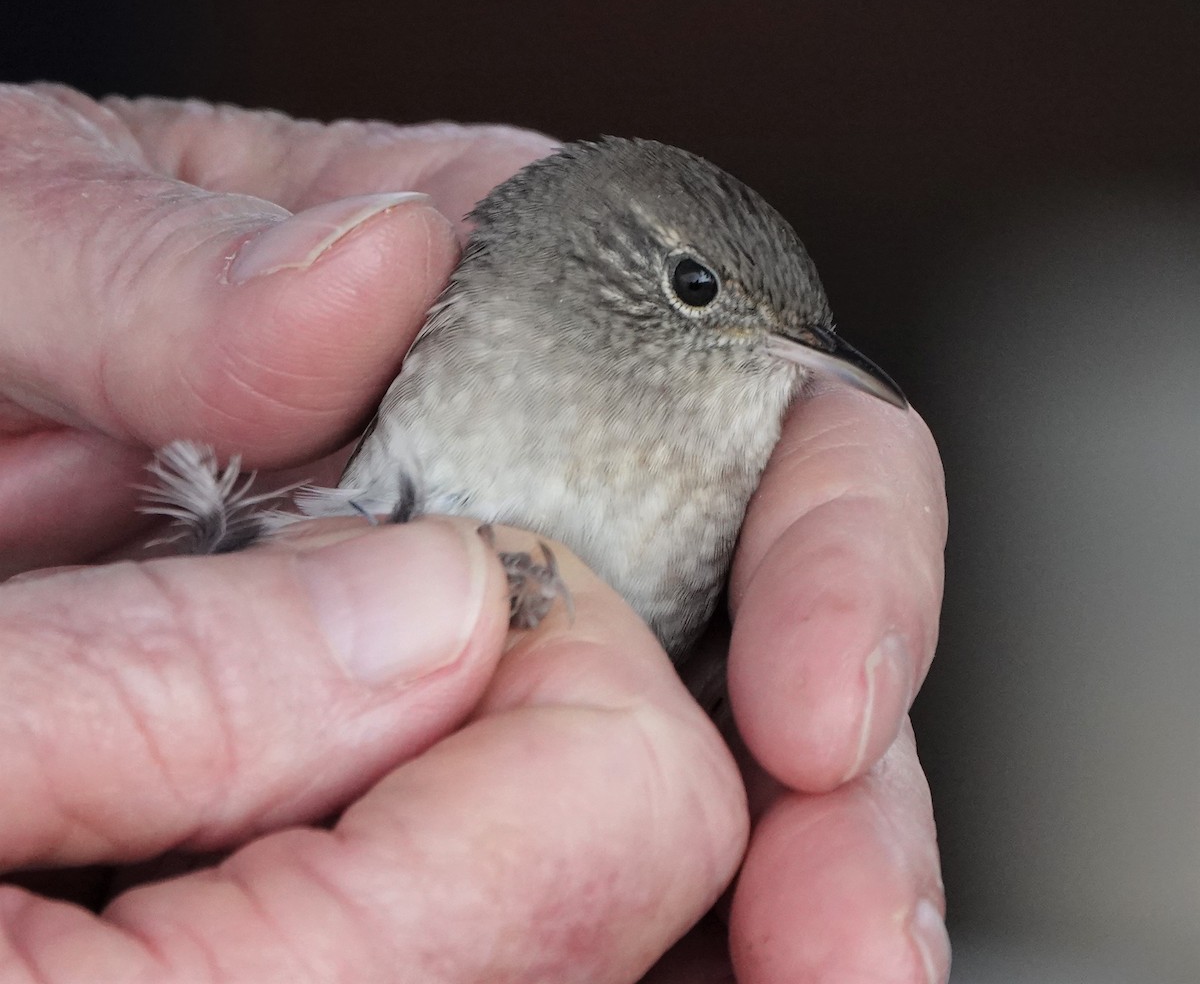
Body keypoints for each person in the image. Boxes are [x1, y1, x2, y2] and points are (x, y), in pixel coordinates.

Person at [0, 83, 949, 982]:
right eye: (697, 289)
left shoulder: (737, 434)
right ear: (597, 255)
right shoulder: (484, 299)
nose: (786, 364)